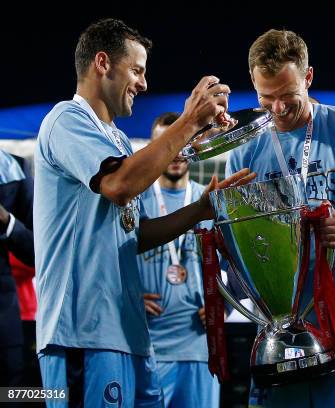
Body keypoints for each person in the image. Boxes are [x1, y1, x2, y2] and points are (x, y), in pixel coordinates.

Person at [34, 18, 253, 406]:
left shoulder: (116, 139)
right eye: (136, 70)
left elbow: (134, 235)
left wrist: (200, 209)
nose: (143, 83)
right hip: (82, 332)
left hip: (128, 333)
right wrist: (188, 121)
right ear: (102, 63)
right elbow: (120, 186)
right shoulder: (65, 120)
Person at [226, 29, 335, 407]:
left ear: (308, 78)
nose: (277, 108)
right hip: (280, 326)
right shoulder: (244, 153)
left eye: (288, 96)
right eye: (266, 97)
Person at [137, 112, 219, 408]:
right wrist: (126, 295)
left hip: (200, 348)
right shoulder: (135, 202)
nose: (175, 154)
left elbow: (236, 268)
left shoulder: (210, 201)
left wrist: (224, 299)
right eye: (166, 145)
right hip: (147, 348)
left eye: (182, 144)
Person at [0, 150, 34, 388]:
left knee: (15, 394)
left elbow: (38, 252)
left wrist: (6, 220)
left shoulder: (13, 167)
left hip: (8, 322)